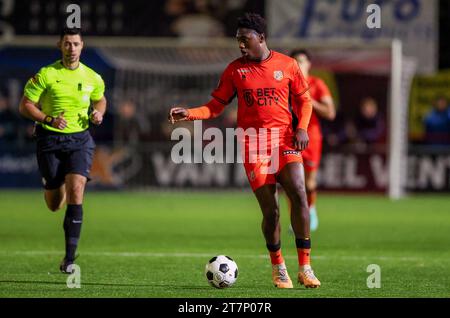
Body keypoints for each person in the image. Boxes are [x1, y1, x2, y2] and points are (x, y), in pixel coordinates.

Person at [168, 13, 320, 288]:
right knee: (271, 211)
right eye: (237, 40)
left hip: (285, 140)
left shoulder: (287, 65)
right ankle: (279, 268)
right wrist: (189, 113)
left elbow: (304, 101)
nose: (240, 44)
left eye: (244, 39)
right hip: (254, 145)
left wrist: (303, 128)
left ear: (261, 38)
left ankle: (306, 267)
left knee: (298, 191)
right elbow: (215, 107)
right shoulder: (235, 71)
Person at [18, 27, 107, 273]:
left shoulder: (92, 77)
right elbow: (25, 106)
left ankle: (69, 259)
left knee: (77, 189)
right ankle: (59, 186)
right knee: (55, 204)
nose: (71, 48)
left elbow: (100, 98)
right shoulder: (46, 74)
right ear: (60, 45)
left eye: (75, 44)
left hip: (80, 139)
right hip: (49, 140)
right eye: (67, 43)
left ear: (82, 46)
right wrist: (48, 119)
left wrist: (99, 112)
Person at [288, 49, 336, 232]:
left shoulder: (317, 84)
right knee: (291, 181)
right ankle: (296, 218)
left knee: (308, 183)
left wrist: (310, 101)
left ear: (309, 64)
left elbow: (330, 113)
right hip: (289, 136)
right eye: (295, 61)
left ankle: (312, 209)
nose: (298, 64)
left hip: (311, 136)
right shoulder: (285, 85)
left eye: (301, 60)